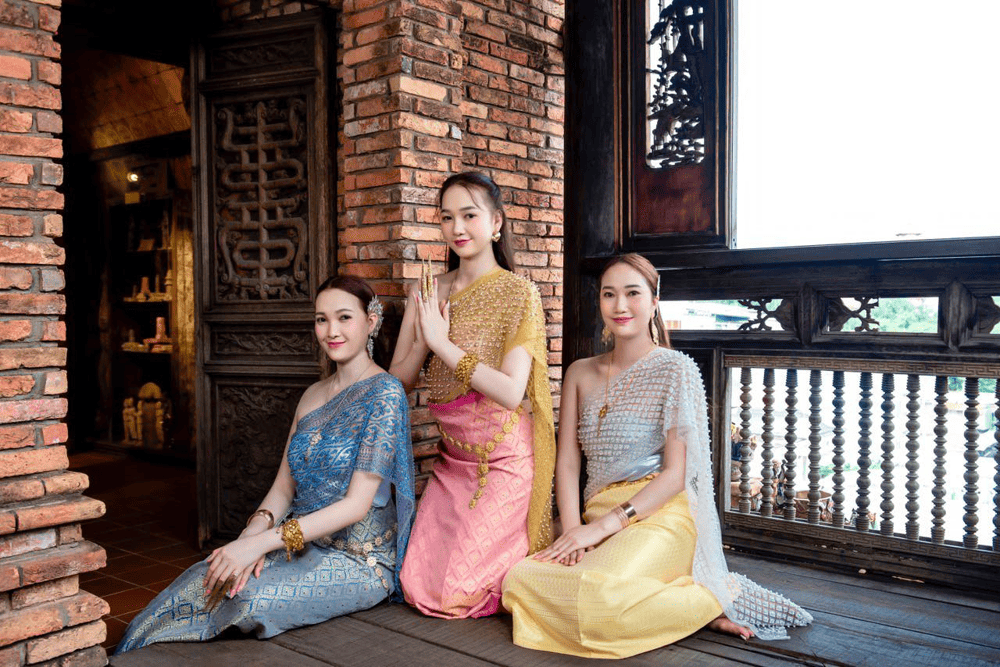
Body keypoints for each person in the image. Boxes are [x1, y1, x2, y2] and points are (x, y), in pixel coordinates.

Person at [501, 254, 812, 659]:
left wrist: (602, 530)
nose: (620, 306)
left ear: (654, 300)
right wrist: (576, 531)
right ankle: (674, 597)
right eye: (609, 295)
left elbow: (675, 474)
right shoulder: (580, 371)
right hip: (596, 513)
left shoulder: (675, 369)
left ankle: (710, 598)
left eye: (633, 293)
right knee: (519, 579)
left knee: (598, 601)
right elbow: (569, 462)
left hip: (658, 514)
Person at [116, 276, 415, 653]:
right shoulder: (312, 395)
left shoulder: (385, 393)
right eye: (321, 320)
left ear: (370, 322)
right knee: (207, 580)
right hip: (297, 543)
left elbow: (356, 505)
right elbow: (283, 488)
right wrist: (247, 541)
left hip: (357, 561)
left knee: (247, 600)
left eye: (344, 318)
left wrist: (262, 544)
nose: (331, 331)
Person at [390, 171, 555, 618]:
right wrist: (424, 336)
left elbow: (510, 390)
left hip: (504, 462)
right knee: (416, 584)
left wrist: (443, 344)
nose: (457, 228)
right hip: (453, 462)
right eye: (447, 218)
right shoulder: (426, 292)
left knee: (456, 592)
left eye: (469, 215)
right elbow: (399, 380)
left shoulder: (520, 294)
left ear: (496, 222)